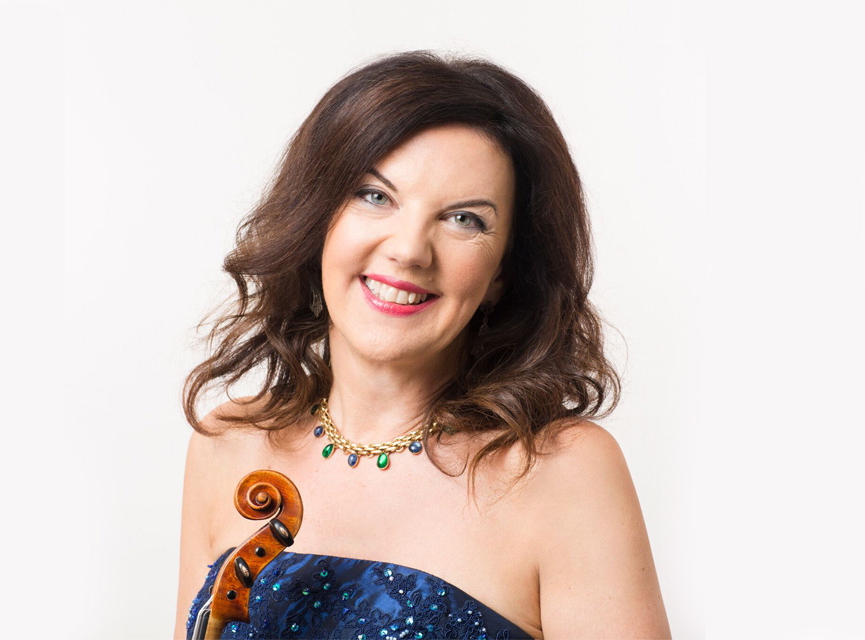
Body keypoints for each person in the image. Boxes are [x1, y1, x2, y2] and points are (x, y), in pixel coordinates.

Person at [174, 50, 670, 639]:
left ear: (503, 273)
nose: (409, 250)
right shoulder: (227, 445)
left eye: (464, 220)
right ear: (318, 219)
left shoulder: (562, 474)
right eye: (375, 195)